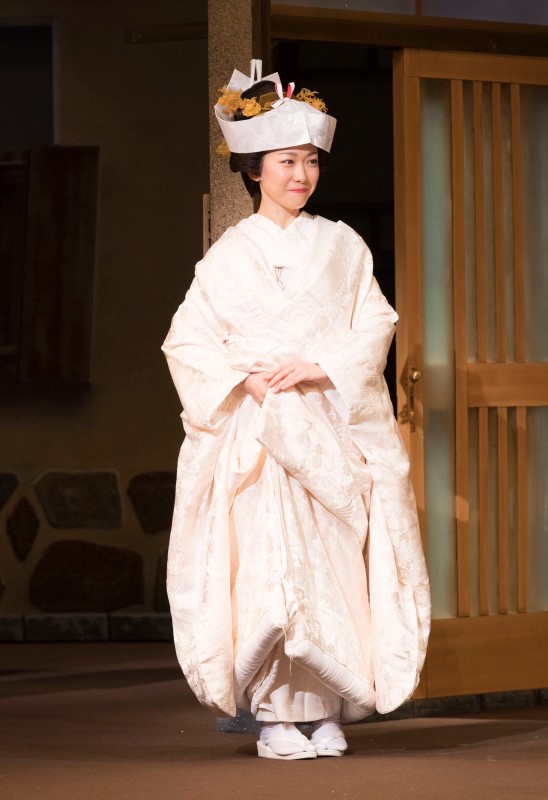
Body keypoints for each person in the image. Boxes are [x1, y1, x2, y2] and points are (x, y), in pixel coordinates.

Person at [162, 60, 430, 760]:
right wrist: (245, 381)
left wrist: (322, 365)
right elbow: (187, 340)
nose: (301, 175)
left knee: (332, 564)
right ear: (255, 170)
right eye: (286, 162)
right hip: (259, 438)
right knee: (269, 564)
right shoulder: (227, 256)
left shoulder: (343, 245)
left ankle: (330, 707)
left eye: (310, 161)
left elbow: (374, 322)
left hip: (328, 425)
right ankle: (277, 716)